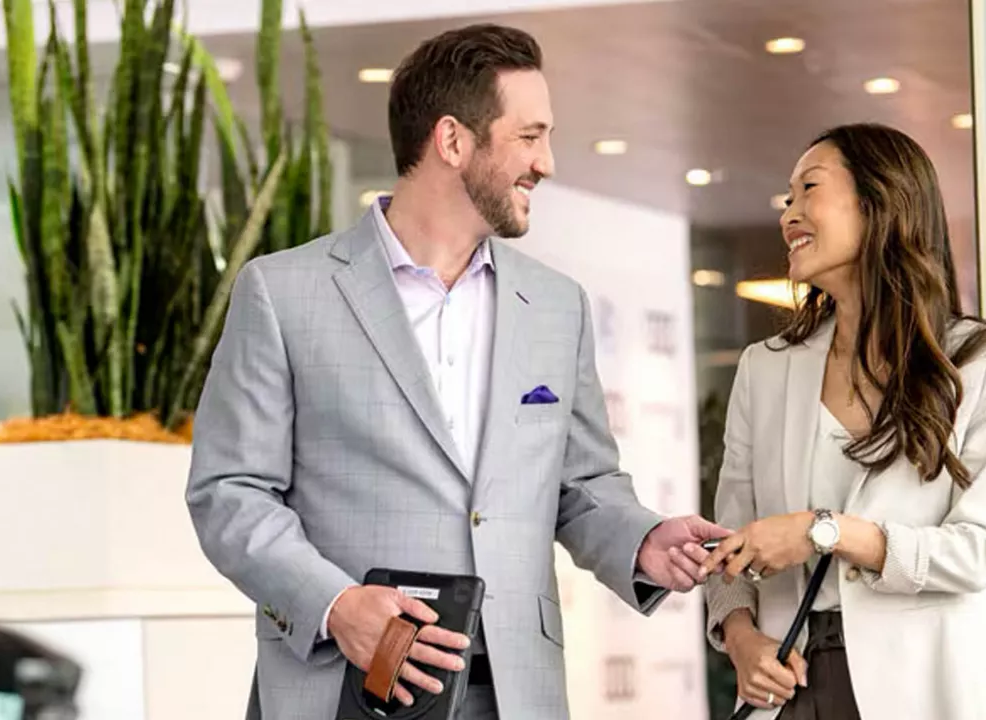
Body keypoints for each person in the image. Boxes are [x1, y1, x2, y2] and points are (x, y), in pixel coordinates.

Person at [186, 23, 726, 720]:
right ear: (452, 141)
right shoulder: (283, 292)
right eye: (529, 136)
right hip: (347, 688)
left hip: (513, 695)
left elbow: (580, 484)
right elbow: (229, 491)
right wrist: (335, 604)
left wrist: (642, 540)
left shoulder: (556, 306)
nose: (547, 162)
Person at [700, 123, 986, 720]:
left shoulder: (985, 361)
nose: (788, 214)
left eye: (809, 189)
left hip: (929, 694)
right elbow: (732, 545)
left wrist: (824, 531)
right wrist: (742, 640)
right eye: (787, 199)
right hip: (793, 690)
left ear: (880, 201)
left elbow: (978, 551)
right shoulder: (764, 369)